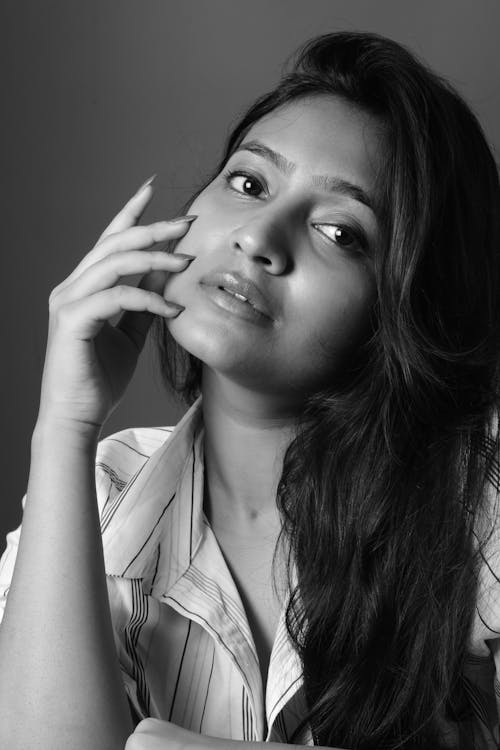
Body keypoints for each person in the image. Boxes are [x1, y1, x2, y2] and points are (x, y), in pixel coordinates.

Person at [0, 29, 499, 750]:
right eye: (248, 182)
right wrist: (64, 426)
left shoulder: (477, 497)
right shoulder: (99, 493)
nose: (261, 235)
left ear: (404, 309)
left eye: (339, 232)